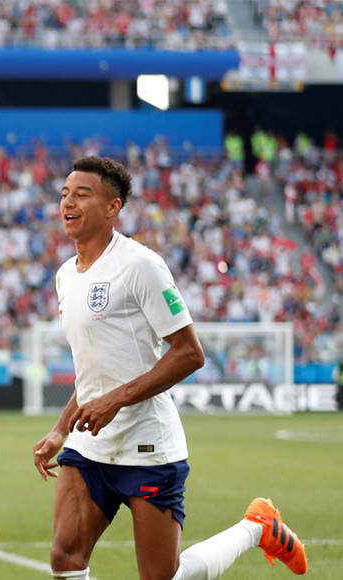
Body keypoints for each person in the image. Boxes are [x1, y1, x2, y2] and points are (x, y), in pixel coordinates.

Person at [32, 155, 308, 579]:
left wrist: (115, 401)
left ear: (113, 207)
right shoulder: (66, 275)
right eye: (65, 194)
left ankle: (257, 527)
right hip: (90, 445)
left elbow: (189, 353)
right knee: (65, 558)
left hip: (148, 445)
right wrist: (60, 429)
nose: (68, 202)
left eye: (82, 194)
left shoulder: (141, 265)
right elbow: (97, 371)